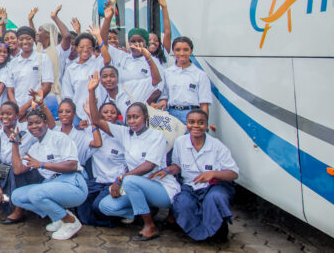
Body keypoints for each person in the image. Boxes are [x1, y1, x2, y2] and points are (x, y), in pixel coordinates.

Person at [88, 73, 180, 241]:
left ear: (145, 117)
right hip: (135, 188)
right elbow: (96, 119)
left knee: (130, 181)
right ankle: (143, 211)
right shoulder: (125, 133)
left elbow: (149, 166)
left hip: (160, 188)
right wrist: (91, 92)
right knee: (105, 206)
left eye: (136, 117)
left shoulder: (156, 136)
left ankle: (149, 226)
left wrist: (121, 178)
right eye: (129, 117)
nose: (132, 121)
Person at [153, 109, 239, 242]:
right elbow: (178, 166)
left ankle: (217, 230)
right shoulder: (180, 142)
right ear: (186, 124)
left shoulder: (217, 145)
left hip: (214, 186)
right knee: (182, 202)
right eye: (191, 122)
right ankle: (199, 231)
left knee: (215, 197)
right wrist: (168, 169)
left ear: (206, 124)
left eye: (201, 122)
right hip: (190, 187)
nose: (196, 126)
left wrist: (213, 173)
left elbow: (233, 174)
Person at [10, 108, 88, 241]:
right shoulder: (35, 147)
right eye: (30, 123)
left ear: (46, 123)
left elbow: (72, 165)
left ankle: (71, 222)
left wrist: (41, 164)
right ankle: (58, 217)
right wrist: (15, 145)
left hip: (73, 184)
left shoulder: (59, 137)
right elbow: (18, 170)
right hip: (51, 184)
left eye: (38, 122)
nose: (34, 126)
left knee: (36, 193)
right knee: (17, 197)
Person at [76, 102, 126, 227]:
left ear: (118, 116)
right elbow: (78, 136)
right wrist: (82, 124)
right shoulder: (93, 133)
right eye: (105, 112)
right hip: (98, 181)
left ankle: (124, 214)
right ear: (100, 115)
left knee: (98, 206)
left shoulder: (123, 134)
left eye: (113, 112)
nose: (109, 115)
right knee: (82, 207)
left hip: (115, 182)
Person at [0, 101, 38, 223]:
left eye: (9, 114)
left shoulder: (27, 131)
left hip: (24, 173)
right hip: (4, 171)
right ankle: (12, 205)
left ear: (17, 115)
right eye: (2, 114)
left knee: (15, 173)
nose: (5, 117)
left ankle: (19, 210)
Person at [155, 36, 212, 123]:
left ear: (191, 51)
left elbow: (204, 105)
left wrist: (203, 124)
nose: (182, 53)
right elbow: (164, 97)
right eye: (178, 50)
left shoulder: (200, 75)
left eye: (186, 50)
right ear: (173, 51)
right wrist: (163, 101)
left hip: (192, 115)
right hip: (171, 114)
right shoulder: (167, 73)